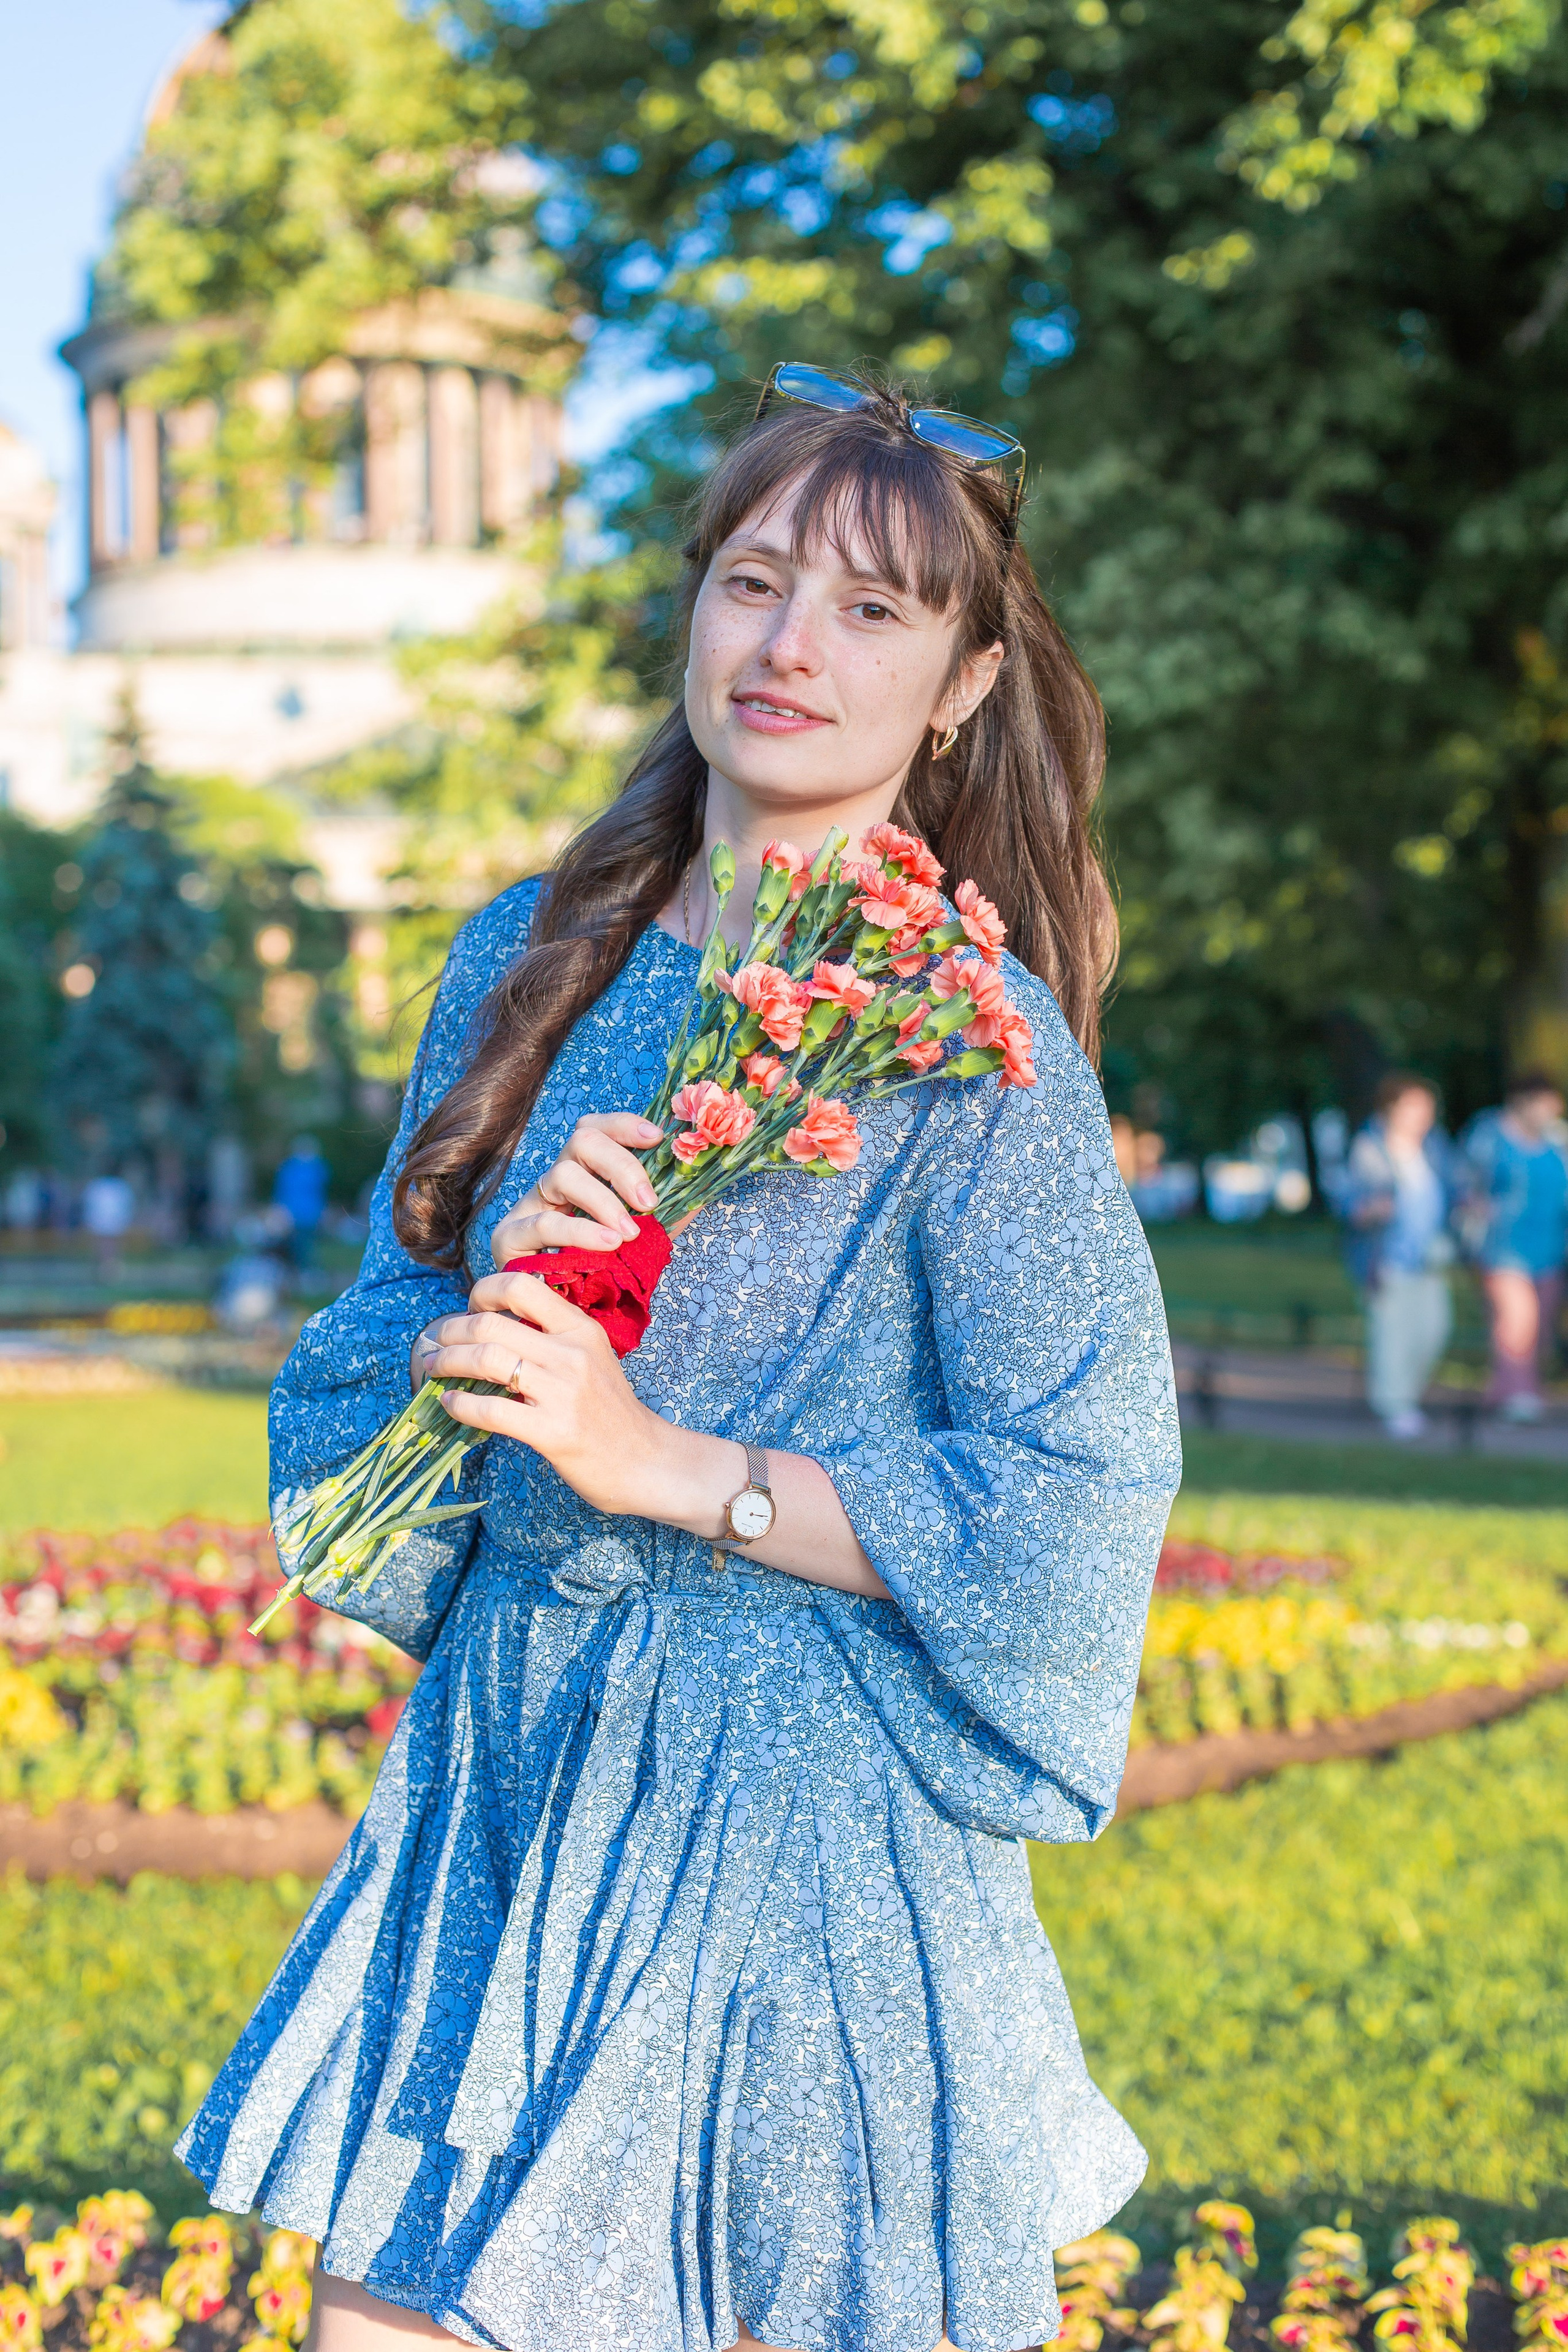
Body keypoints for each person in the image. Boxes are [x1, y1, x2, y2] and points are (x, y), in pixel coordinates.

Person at [175, 368, 1181, 2352]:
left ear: (963, 681)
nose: (790, 643)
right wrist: (478, 1338)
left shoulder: (971, 1047)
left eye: (874, 608)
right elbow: (370, 1350)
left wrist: (664, 1463)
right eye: (752, 580)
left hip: (792, 1838)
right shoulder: (519, 963)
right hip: (515, 1766)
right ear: (692, 610)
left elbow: (1082, 1492)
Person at [1344, 1072, 1457, 1439]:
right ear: (1392, 1108)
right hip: (1387, 1260)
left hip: (1430, 1260)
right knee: (1392, 1334)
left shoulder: (1435, 1146)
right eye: (1415, 1106)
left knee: (1433, 1330)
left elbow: (1453, 1191)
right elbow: (1349, 1202)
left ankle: (1406, 1398)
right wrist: (1370, 1210)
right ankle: (1394, 1405)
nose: (1423, 1114)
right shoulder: (1370, 1147)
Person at [1461, 1073, 1568, 1421]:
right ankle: (1519, 1397)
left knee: (1541, 1330)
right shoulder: (1490, 1136)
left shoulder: (1557, 1141)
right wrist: (1473, 1206)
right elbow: (1464, 1180)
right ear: (1523, 1101)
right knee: (1517, 1322)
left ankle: (1509, 1390)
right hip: (1502, 1247)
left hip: (1550, 1248)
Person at [273, 1135, 330, 1272]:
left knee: (305, 1242)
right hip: (298, 1212)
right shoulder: (295, 1167)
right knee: (299, 1243)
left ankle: (305, 1268)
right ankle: (303, 1268)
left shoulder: (315, 1167)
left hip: (307, 1212)